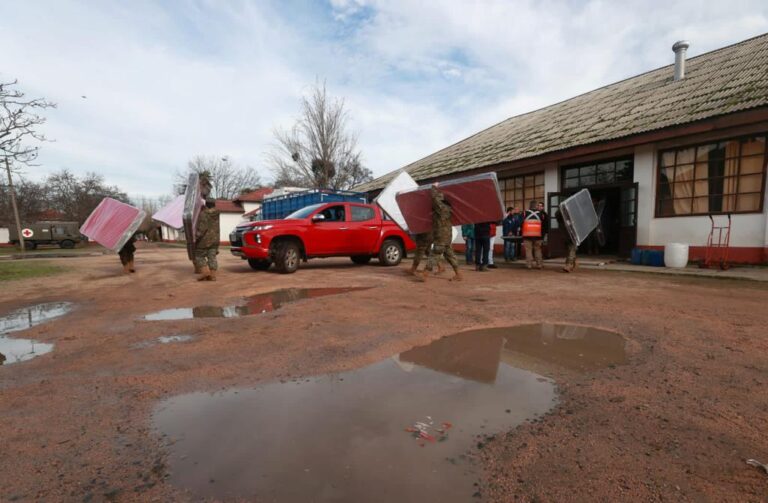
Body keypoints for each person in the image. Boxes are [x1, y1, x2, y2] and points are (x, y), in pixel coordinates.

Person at [422, 186, 462, 282]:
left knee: (435, 252)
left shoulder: (442, 208)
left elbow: (435, 199)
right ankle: (458, 274)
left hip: (441, 236)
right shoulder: (448, 209)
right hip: (447, 236)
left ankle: (425, 273)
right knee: (450, 255)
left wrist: (434, 187)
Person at [195, 198, 221, 281]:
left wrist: (196, 236)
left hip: (204, 240)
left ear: (206, 204)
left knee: (199, 256)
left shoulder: (203, 214)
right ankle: (212, 276)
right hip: (215, 239)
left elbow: (203, 228)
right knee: (212, 257)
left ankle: (205, 272)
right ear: (214, 205)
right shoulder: (217, 214)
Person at [522, 201, 549, 270]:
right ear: (536, 206)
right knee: (538, 250)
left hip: (527, 235)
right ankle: (539, 264)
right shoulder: (541, 214)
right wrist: (543, 235)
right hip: (538, 235)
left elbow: (520, 223)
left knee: (528, 250)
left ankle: (529, 265)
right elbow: (544, 225)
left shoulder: (524, 213)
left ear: (529, 206)